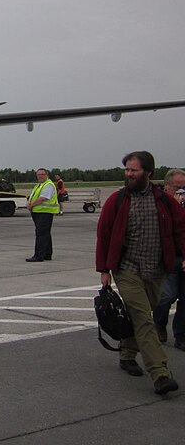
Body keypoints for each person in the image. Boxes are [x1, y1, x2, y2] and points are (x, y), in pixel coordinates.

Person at [95, 151, 185, 395]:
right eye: (126, 170)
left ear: (148, 172)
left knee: (141, 314)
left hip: (156, 269)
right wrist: (104, 269)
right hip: (127, 269)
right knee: (144, 318)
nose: (129, 174)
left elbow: (180, 230)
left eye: (133, 170)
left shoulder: (165, 202)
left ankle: (127, 354)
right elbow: (104, 234)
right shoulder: (118, 200)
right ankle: (160, 373)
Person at [153, 168, 185, 350]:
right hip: (168, 256)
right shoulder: (160, 204)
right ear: (167, 187)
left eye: (184, 188)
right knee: (167, 295)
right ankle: (158, 322)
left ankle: (181, 334)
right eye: (177, 188)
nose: (181, 192)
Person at [26, 168, 59, 262]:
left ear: (46, 175)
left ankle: (38, 255)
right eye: (38, 175)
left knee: (41, 234)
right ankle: (47, 254)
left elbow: (43, 198)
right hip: (38, 212)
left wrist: (31, 205)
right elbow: (32, 196)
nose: (40, 176)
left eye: (42, 174)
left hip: (45, 212)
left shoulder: (48, 185)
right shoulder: (39, 185)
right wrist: (28, 202)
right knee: (45, 234)